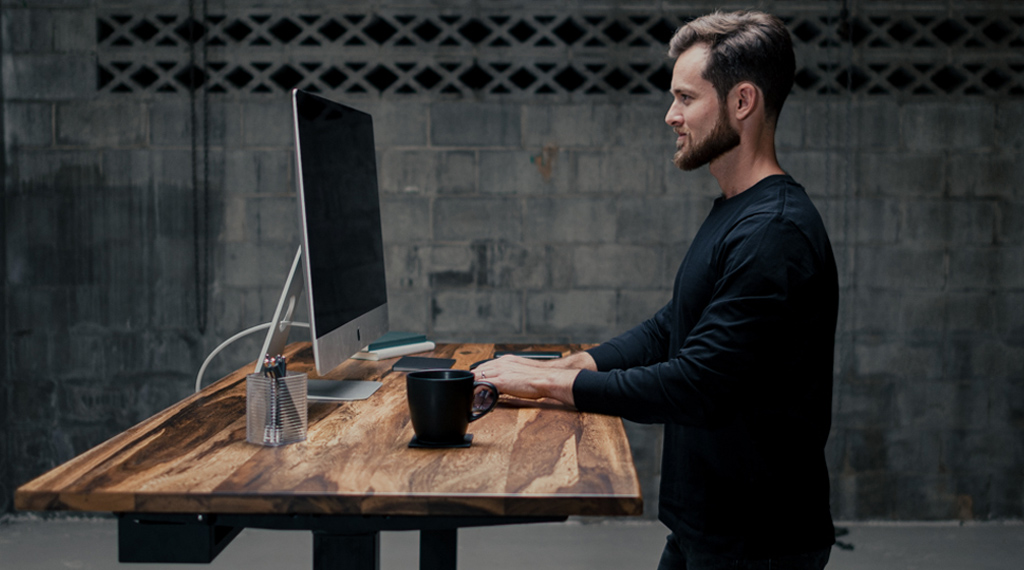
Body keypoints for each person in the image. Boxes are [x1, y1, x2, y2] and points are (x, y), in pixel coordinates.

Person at [473, 10, 838, 570]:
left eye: (686, 98)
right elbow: (674, 325)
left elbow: (697, 385)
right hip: (707, 528)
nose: (671, 115)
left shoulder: (775, 233)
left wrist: (549, 383)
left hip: (757, 542)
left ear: (742, 103)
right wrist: (580, 363)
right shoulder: (739, 212)